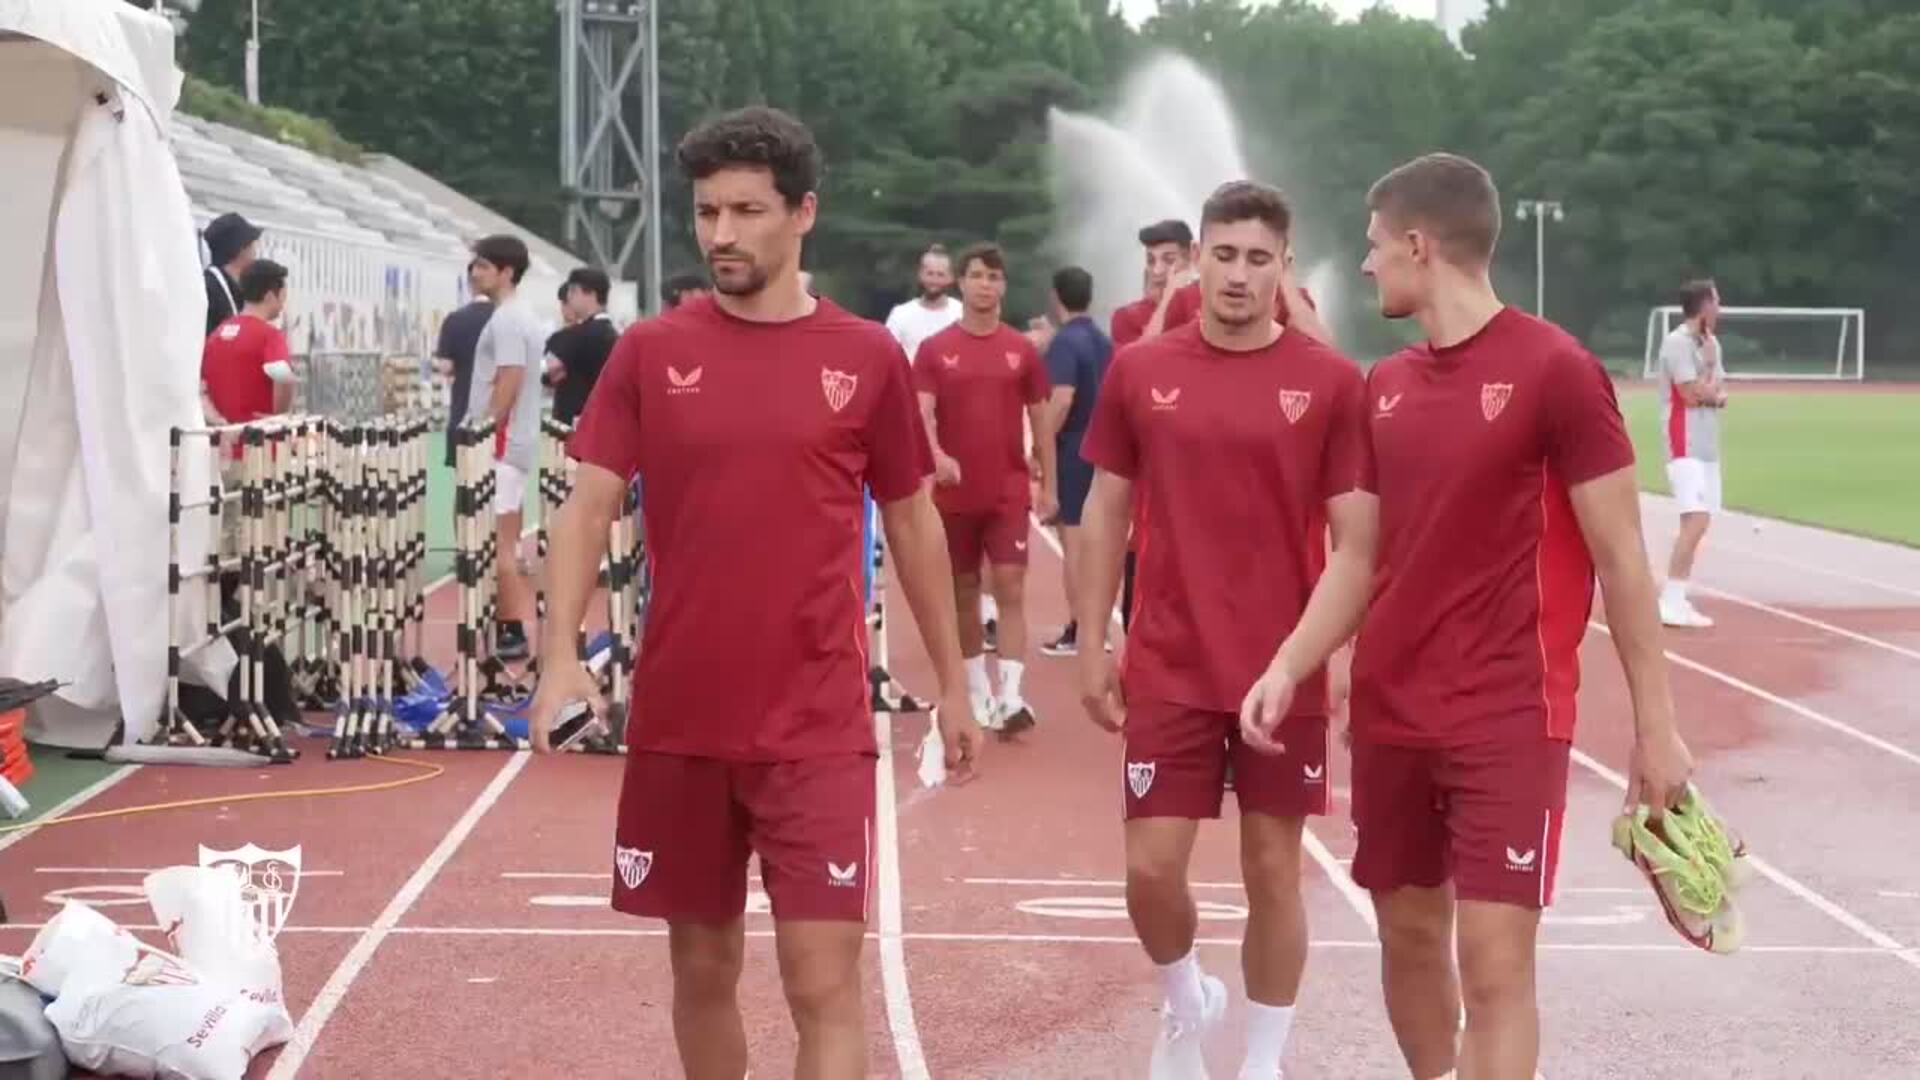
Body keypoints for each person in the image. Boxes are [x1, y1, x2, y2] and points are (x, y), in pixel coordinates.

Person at [526, 105, 979, 1080]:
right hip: (681, 719)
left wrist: (954, 679)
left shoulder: (865, 357)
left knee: (824, 984)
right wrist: (561, 655)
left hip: (817, 724)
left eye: (747, 211)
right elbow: (586, 506)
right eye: (706, 212)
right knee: (702, 972)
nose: (722, 234)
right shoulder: (651, 350)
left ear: (803, 213)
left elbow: (912, 522)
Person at [1329, 152, 1693, 1079]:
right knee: (1408, 940)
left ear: (1418, 244)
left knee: (1494, 967)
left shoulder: (1558, 373)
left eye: (1374, 246)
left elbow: (1622, 559)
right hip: (1390, 711)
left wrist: (1658, 732)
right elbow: (1358, 557)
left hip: (1508, 717)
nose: (1366, 265)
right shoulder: (1386, 384)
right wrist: (1299, 665)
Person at [1076, 180, 1373, 1080]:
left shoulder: (1330, 383)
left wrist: (1328, 657)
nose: (1238, 275)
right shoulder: (1141, 370)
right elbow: (1105, 510)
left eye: (1258, 258)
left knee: (1273, 873)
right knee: (1151, 875)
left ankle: (1264, 1060)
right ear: (1194, 260)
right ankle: (1185, 1002)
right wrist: (1095, 638)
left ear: (1285, 268)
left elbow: (1360, 542)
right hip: (1168, 659)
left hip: (1284, 668)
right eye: (1223, 254)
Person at [913, 243, 1056, 734]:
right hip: (954, 495)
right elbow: (921, 414)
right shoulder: (934, 351)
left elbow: (1040, 419)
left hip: (1007, 490)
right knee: (963, 591)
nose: (984, 284)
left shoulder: (1021, 351)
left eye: (994, 277)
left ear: (1003, 286)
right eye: (976, 275)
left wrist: (1048, 482)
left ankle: (1012, 696)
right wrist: (936, 455)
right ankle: (976, 688)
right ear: (961, 282)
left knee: (1012, 585)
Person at [464, 234, 548, 661]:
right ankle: (510, 627)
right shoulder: (514, 316)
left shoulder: (508, 320)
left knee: (501, 542)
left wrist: (483, 430)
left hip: (502, 444)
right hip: (510, 441)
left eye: (482, 265)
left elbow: (510, 378)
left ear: (506, 271)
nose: (474, 273)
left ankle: (512, 630)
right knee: (505, 540)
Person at [1036, 265, 1112, 657]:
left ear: (1056, 297)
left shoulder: (1065, 343)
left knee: (1075, 545)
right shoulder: (1103, 340)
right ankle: (1094, 626)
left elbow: (1062, 398)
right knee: (1098, 545)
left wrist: (1040, 442)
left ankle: (1082, 628)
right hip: (1102, 449)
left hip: (1073, 451)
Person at [1656, 278, 1728, 629]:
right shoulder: (1677, 343)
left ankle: (1677, 596)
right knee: (1695, 520)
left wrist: (1711, 383)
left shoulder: (1711, 345)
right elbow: (1690, 393)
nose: (1720, 308)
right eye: (1715, 302)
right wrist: (1711, 392)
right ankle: (1670, 599)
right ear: (1703, 306)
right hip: (1683, 443)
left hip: (1707, 446)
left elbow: (1718, 391)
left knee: (1700, 522)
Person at [200, 259, 297, 437]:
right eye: (283, 295)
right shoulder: (269, 336)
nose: (284, 303)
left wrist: (218, 421)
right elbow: (284, 379)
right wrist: (278, 418)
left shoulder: (217, 335)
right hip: (259, 445)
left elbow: (202, 388)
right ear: (270, 296)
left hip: (221, 444)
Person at [435, 262, 496, 469]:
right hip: (497, 411)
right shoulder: (505, 317)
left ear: (470, 285)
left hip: (463, 409)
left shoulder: (455, 320)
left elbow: (445, 366)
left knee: (464, 479)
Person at [544, 267, 620, 426]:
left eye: (573, 291)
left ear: (591, 294)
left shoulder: (575, 336)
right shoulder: (616, 336)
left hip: (574, 425)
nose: (569, 297)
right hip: (606, 422)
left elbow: (547, 374)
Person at [885, 243, 963, 361]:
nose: (934, 280)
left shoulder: (962, 313)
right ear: (920, 274)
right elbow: (887, 355)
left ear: (951, 277)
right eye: (930, 273)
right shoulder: (900, 314)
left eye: (940, 275)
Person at [201, 212, 262, 336]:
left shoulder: (241, 289)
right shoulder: (209, 291)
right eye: (251, 246)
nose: (255, 252)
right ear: (240, 249)